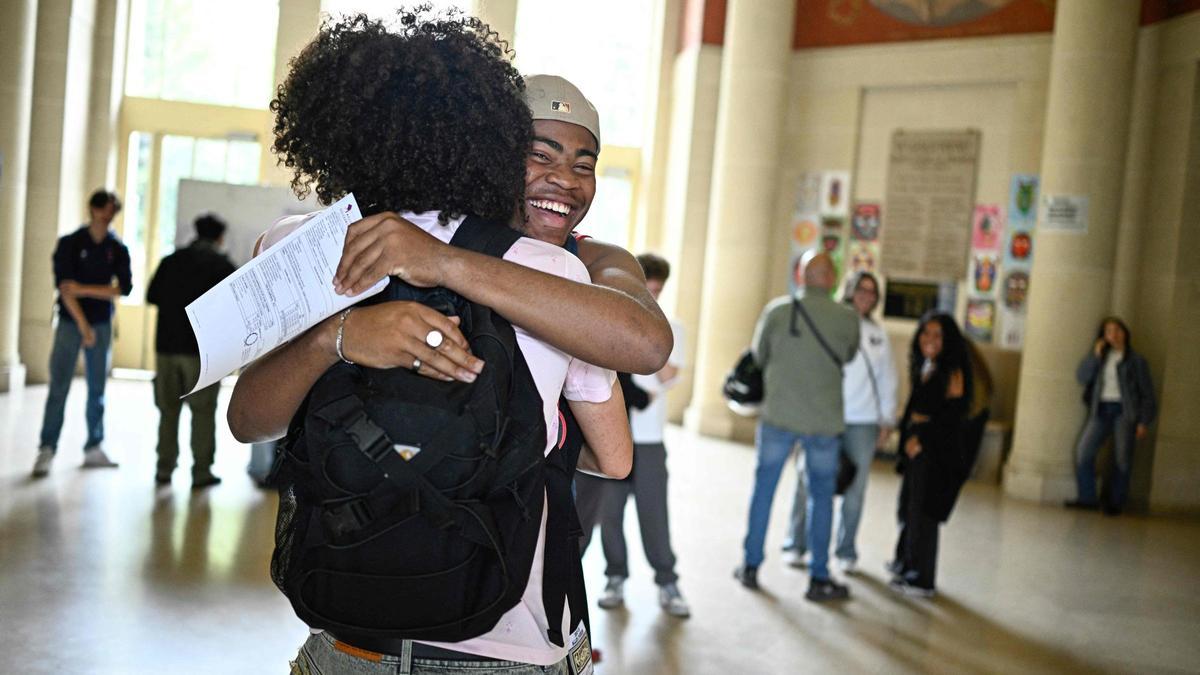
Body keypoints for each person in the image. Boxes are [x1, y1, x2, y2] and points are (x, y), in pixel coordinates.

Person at [227, 14, 646, 674]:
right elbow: (615, 457)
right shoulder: (549, 272)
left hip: (347, 630)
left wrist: (335, 339)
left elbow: (248, 421)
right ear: (490, 144)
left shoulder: (297, 248)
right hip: (504, 635)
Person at [734, 251, 859, 601]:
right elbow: (848, 355)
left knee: (764, 490)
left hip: (779, 417)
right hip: (823, 424)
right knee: (822, 497)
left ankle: (751, 565)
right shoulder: (847, 318)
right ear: (832, 279)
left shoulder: (778, 311)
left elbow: (759, 356)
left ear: (801, 276)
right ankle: (819, 578)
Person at [580, 253, 690, 618]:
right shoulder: (617, 323)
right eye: (647, 289)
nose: (652, 297)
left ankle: (667, 581)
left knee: (653, 514)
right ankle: (615, 577)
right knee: (609, 515)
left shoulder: (672, 327)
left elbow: (668, 376)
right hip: (615, 434)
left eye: (657, 290)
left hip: (651, 441)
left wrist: (648, 333)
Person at [784, 271, 897, 575]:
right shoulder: (830, 321)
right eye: (861, 289)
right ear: (848, 289)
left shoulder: (878, 333)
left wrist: (886, 419)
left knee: (855, 489)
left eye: (872, 292)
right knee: (808, 479)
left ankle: (846, 550)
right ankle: (796, 542)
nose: (866, 296)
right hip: (824, 415)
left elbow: (887, 378)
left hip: (863, 421)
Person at [32, 189, 132, 477]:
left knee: (97, 388)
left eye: (113, 209)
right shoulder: (70, 244)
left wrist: (84, 289)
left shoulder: (117, 248)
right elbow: (65, 290)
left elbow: (123, 288)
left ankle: (93, 446)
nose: (109, 214)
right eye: (105, 208)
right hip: (70, 322)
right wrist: (84, 326)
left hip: (101, 322)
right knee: (59, 385)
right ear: (93, 209)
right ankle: (47, 448)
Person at [146, 213, 236, 488]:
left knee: (168, 411)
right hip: (201, 353)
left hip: (166, 348)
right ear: (220, 238)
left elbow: (151, 296)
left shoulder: (170, 261)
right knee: (203, 412)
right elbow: (233, 308)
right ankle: (201, 472)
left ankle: (164, 469)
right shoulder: (222, 266)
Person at [887, 312, 972, 598]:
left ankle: (921, 578)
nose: (930, 340)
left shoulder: (953, 370)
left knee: (924, 513)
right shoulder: (928, 365)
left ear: (947, 340)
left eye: (937, 335)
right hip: (919, 446)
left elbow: (951, 416)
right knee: (908, 507)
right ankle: (904, 563)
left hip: (936, 452)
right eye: (925, 333)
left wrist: (920, 440)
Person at [1066, 317, 1156, 516]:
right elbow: (1082, 377)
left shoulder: (1136, 361)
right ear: (1103, 336)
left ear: (1125, 333)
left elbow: (1147, 395)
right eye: (1108, 331)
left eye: (1117, 330)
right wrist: (1095, 356)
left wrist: (1143, 421)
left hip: (1125, 411)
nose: (1113, 335)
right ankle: (1088, 498)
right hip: (1100, 409)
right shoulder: (1101, 357)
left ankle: (1116, 502)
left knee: (1122, 458)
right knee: (1084, 452)